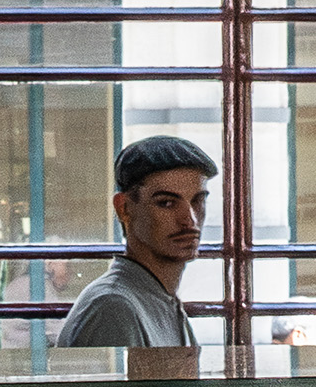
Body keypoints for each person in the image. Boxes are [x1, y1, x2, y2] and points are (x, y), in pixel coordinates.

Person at [57, 133, 215, 354]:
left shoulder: (157, 299)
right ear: (124, 208)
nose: (190, 220)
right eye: (167, 203)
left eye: (198, 200)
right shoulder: (113, 309)